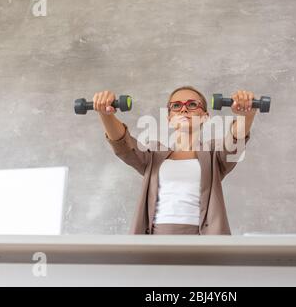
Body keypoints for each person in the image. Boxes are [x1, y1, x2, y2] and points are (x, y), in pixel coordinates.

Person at [94, 86, 257, 235]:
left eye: (192, 105)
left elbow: (235, 141)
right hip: (156, 237)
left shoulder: (214, 154)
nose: (184, 109)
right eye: (176, 106)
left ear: (205, 117)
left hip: (204, 240)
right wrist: (106, 114)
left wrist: (246, 116)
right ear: (169, 118)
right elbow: (123, 144)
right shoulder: (153, 154)